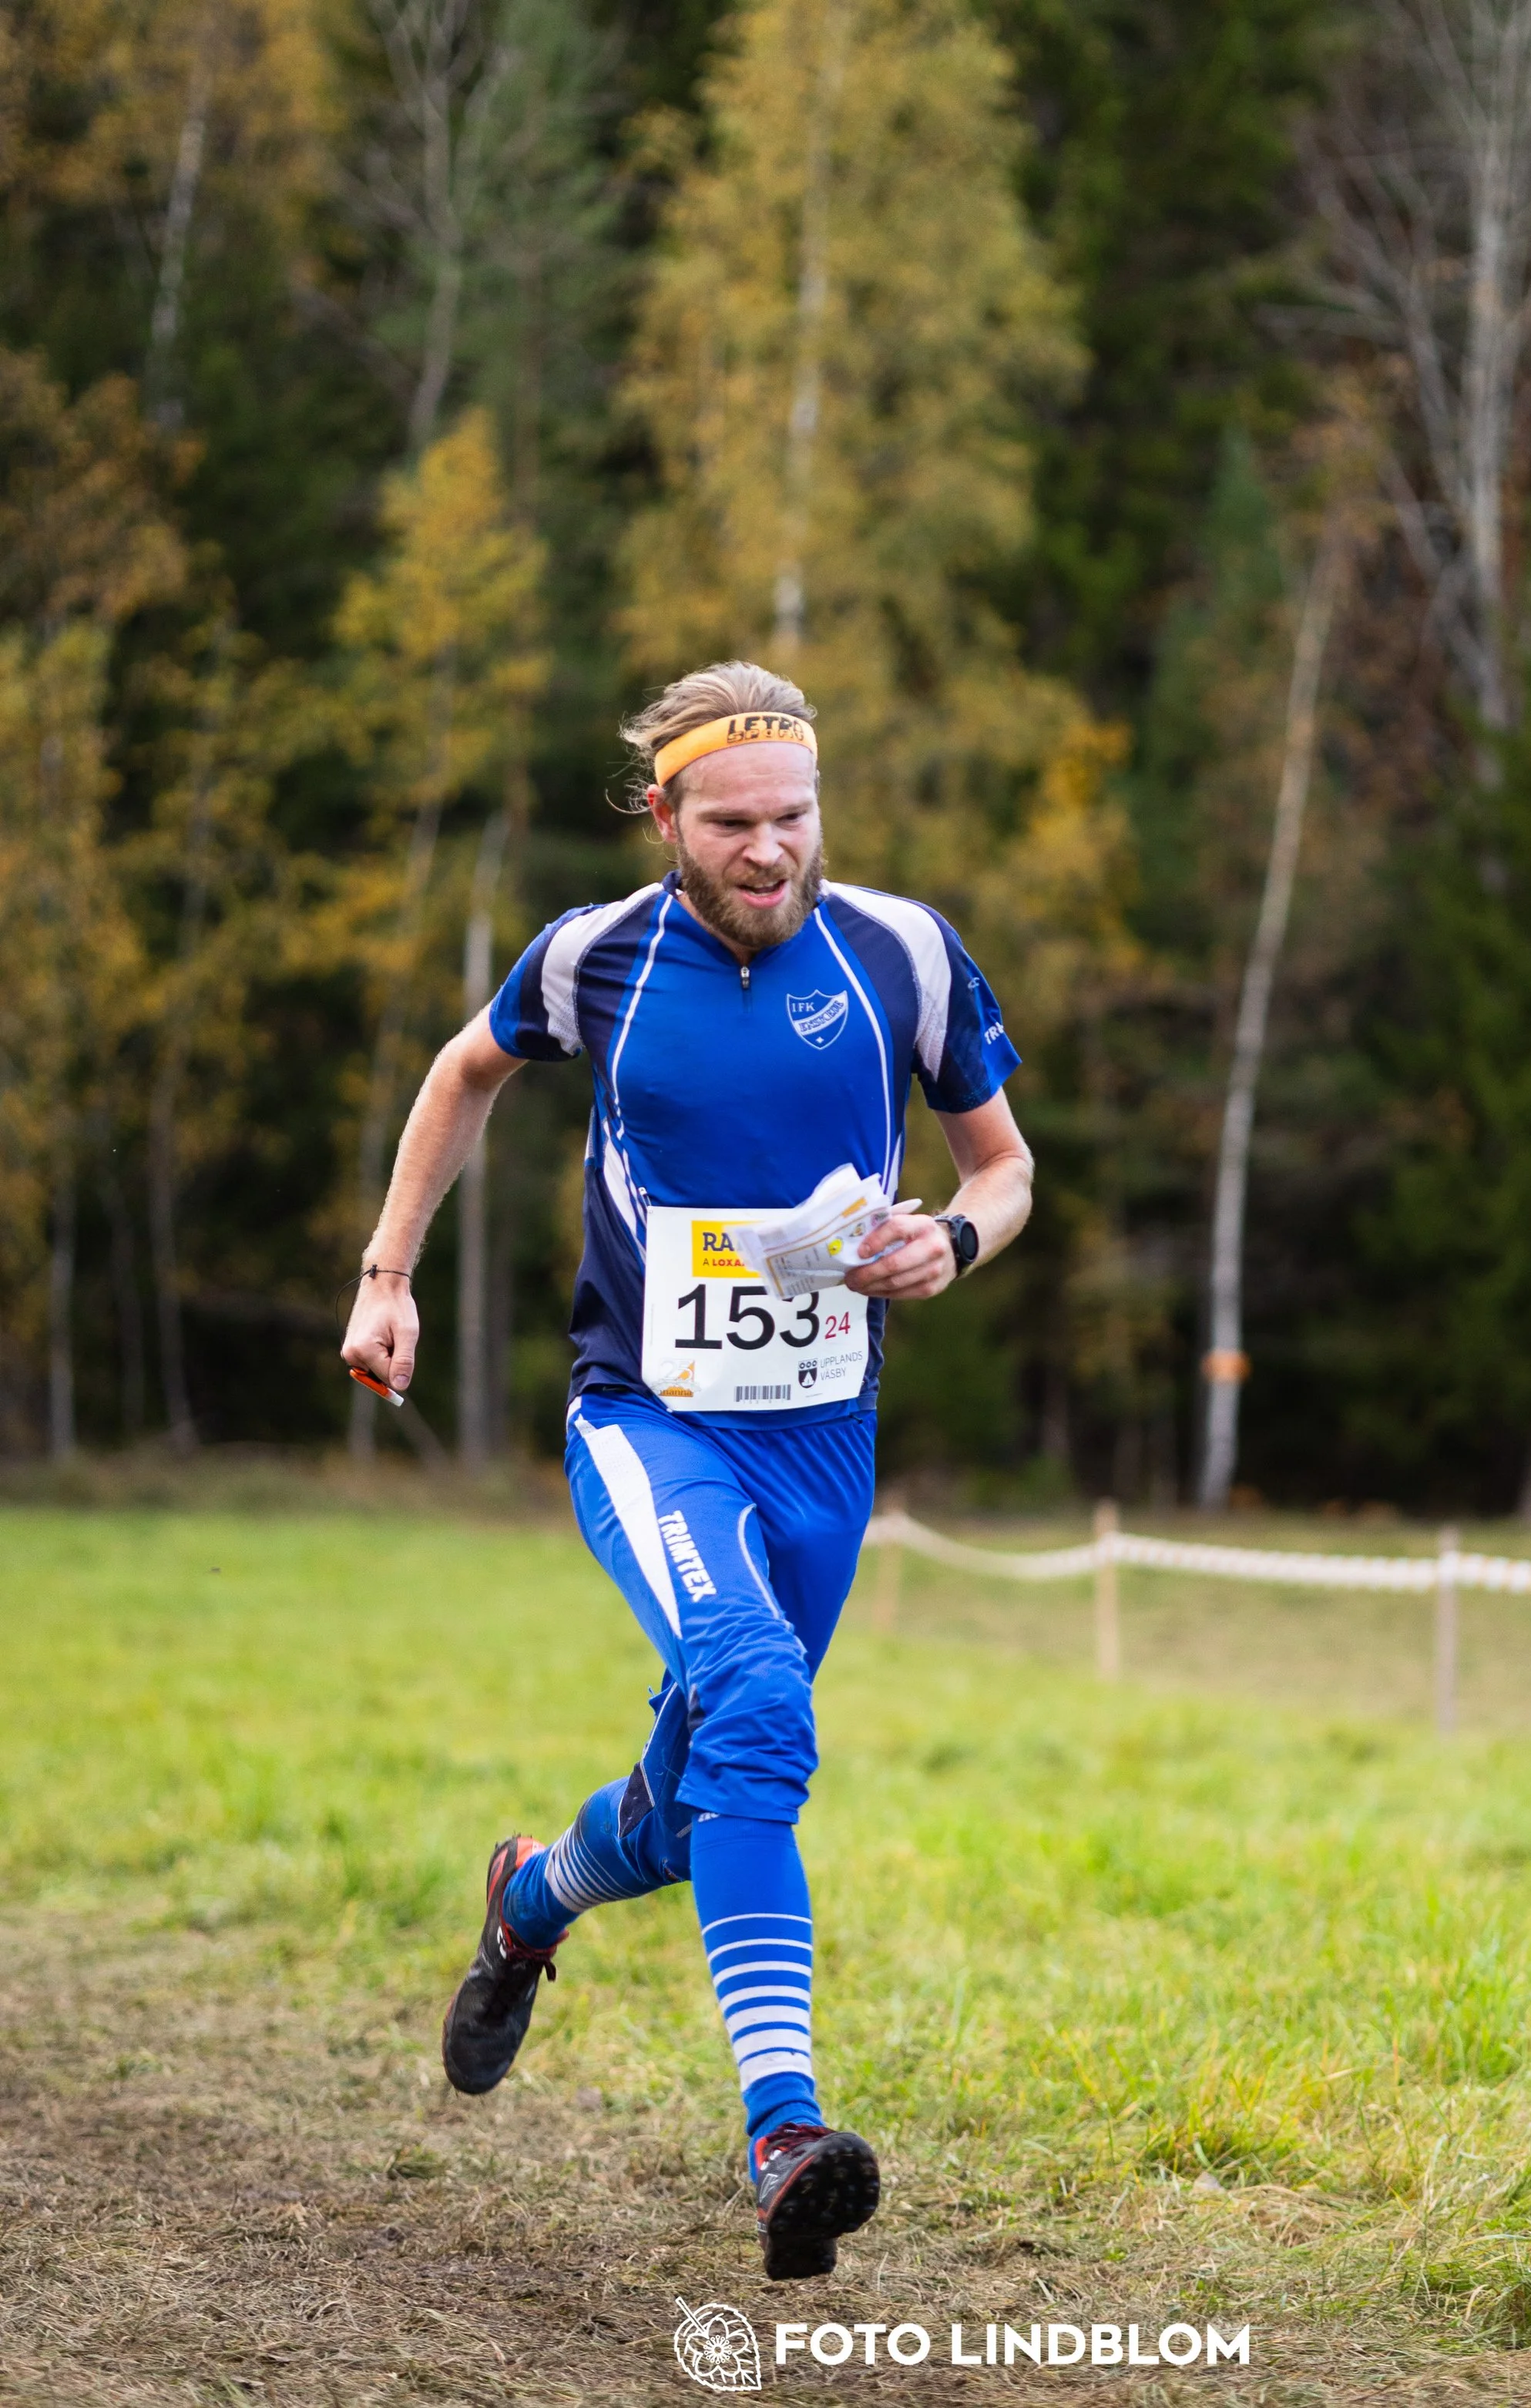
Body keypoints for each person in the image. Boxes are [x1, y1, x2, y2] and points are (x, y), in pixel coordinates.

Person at [339, 659, 1032, 2282]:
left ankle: (532, 1896)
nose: (769, 848)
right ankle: (782, 2129)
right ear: (667, 816)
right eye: (733, 822)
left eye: (793, 816)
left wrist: (948, 1240)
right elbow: (462, 1071)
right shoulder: (595, 956)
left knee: (702, 1785)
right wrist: (388, 1271)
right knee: (756, 1692)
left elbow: (999, 1170)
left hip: (823, 1437)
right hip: (647, 1416)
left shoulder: (904, 953)